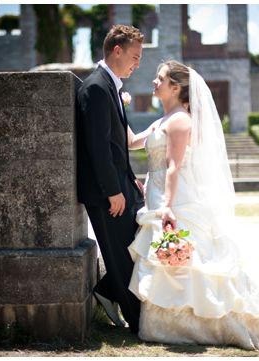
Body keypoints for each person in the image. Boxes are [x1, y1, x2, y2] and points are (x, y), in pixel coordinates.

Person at [126, 61, 259, 352]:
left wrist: (167, 207)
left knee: (190, 260)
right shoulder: (162, 119)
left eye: (161, 79)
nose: (154, 82)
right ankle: (166, 324)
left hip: (176, 198)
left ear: (176, 87)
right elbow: (131, 142)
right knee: (165, 259)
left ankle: (203, 324)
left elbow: (173, 167)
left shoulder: (180, 120)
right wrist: (118, 106)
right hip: (157, 196)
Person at [76, 24, 145, 335]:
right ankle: (139, 323)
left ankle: (106, 290)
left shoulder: (112, 87)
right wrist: (113, 191)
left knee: (135, 247)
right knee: (120, 255)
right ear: (117, 51)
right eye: (135, 56)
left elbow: (118, 146)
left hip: (121, 186)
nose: (137, 63)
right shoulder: (95, 88)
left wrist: (131, 181)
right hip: (107, 193)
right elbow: (98, 147)